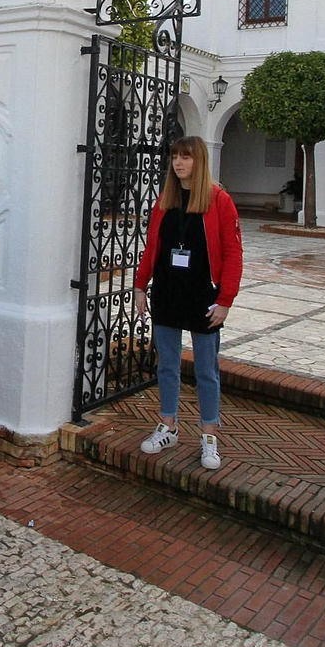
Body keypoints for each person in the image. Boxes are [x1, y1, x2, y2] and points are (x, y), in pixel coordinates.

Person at [132, 135, 244, 471]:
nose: (179, 162)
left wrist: (225, 300)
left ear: (199, 161)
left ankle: (209, 434)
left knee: (206, 370)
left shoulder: (219, 200)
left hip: (202, 297)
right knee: (167, 365)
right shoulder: (164, 200)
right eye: (175, 157)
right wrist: (140, 285)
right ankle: (168, 425)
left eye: (186, 157)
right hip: (168, 292)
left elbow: (233, 253)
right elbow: (152, 246)